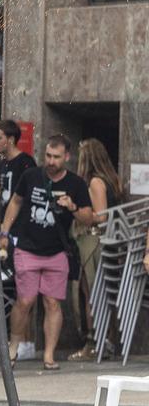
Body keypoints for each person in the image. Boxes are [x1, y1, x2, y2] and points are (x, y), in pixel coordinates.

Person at [0, 134, 95, 371]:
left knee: (53, 303)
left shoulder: (76, 184)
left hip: (57, 251)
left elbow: (88, 217)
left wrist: (72, 207)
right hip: (27, 247)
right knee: (25, 300)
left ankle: (49, 355)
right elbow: (16, 201)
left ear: (67, 157)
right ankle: (13, 347)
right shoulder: (32, 175)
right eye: (48, 156)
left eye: (56, 157)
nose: (51, 161)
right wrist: (4, 231)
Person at [68, 138, 124, 361]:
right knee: (101, 294)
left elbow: (100, 216)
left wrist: (76, 211)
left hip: (94, 242)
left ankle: (94, 342)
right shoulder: (112, 180)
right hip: (108, 242)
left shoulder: (95, 183)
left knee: (91, 294)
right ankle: (104, 341)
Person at [0, 119, 37, 217]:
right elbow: (0, 195)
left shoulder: (25, 162)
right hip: (4, 220)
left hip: (20, 222)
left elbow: (30, 196)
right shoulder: (1, 162)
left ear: (11, 140)